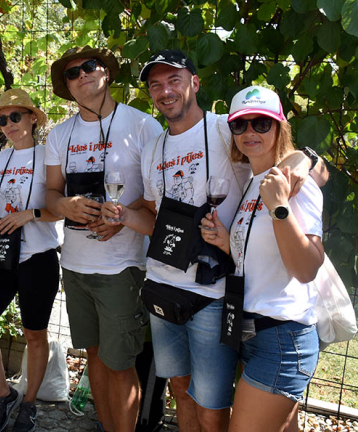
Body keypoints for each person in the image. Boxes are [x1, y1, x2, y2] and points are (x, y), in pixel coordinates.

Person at [102, 49, 328, 432]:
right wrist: (125, 217)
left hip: (214, 294)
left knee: (211, 407)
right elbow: (157, 220)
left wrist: (298, 170)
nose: (165, 91)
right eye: (155, 84)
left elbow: (309, 164)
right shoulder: (154, 147)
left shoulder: (229, 127)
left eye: (174, 80)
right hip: (163, 286)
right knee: (180, 389)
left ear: (195, 83)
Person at [44, 46, 163, 432]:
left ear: (106, 73)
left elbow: (158, 201)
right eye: (72, 74)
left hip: (121, 266)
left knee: (120, 363)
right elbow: (49, 194)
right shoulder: (60, 134)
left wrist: (123, 219)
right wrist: (67, 206)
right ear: (67, 87)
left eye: (89, 67)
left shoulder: (143, 126)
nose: (82, 76)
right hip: (74, 265)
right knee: (94, 355)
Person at [200, 85, 323, 432]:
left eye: (261, 124)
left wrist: (279, 209)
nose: (249, 132)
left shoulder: (295, 185)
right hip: (250, 331)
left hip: (282, 337)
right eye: (240, 125)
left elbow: (306, 268)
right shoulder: (254, 183)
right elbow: (260, 258)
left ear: (279, 128)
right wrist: (228, 243)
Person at [0, 89, 61, 432]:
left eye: (16, 117)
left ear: (32, 118)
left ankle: (30, 402)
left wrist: (30, 215)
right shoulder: (1, 160)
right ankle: (4, 394)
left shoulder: (48, 155)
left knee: (35, 335)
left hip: (38, 258)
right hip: (5, 258)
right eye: (3, 120)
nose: (9, 125)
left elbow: (61, 207)